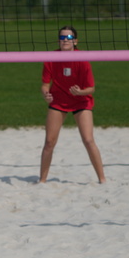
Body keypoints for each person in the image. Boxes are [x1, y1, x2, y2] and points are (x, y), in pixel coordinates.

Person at [39, 26, 106, 184]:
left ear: (75, 41)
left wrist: (80, 92)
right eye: (62, 38)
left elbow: (91, 88)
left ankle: (102, 179)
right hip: (59, 100)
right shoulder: (51, 58)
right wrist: (46, 94)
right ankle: (42, 181)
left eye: (68, 38)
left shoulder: (82, 59)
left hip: (81, 100)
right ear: (58, 41)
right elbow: (45, 84)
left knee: (88, 140)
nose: (65, 41)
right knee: (49, 142)